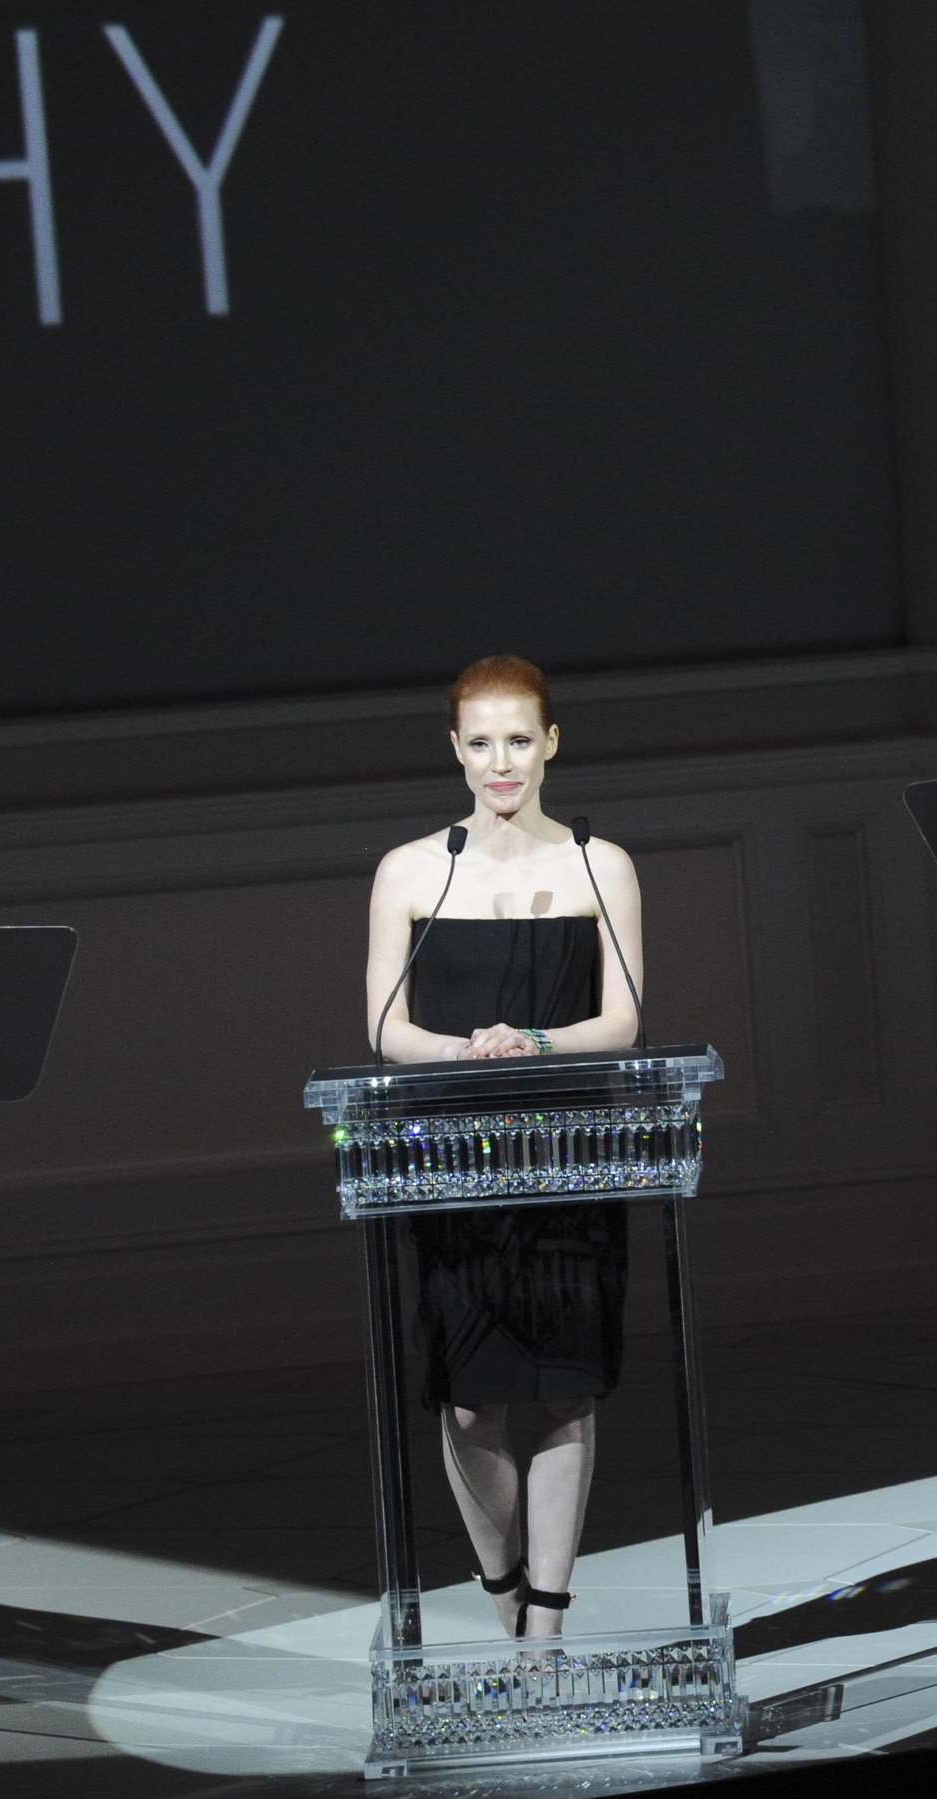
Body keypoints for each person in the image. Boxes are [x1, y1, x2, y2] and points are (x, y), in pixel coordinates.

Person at [364, 654, 644, 1639]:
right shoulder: (410, 869)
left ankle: (547, 1631)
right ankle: (501, 1592)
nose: (500, 761)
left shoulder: (599, 865)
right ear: (454, 749)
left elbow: (623, 1021)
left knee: (567, 1393)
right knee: (474, 1405)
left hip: (571, 1158)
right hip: (456, 1171)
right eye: (480, 742)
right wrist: (459, 1050)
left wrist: (533, 1043)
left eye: (518, 739)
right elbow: (386, 1031)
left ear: (551, 742)